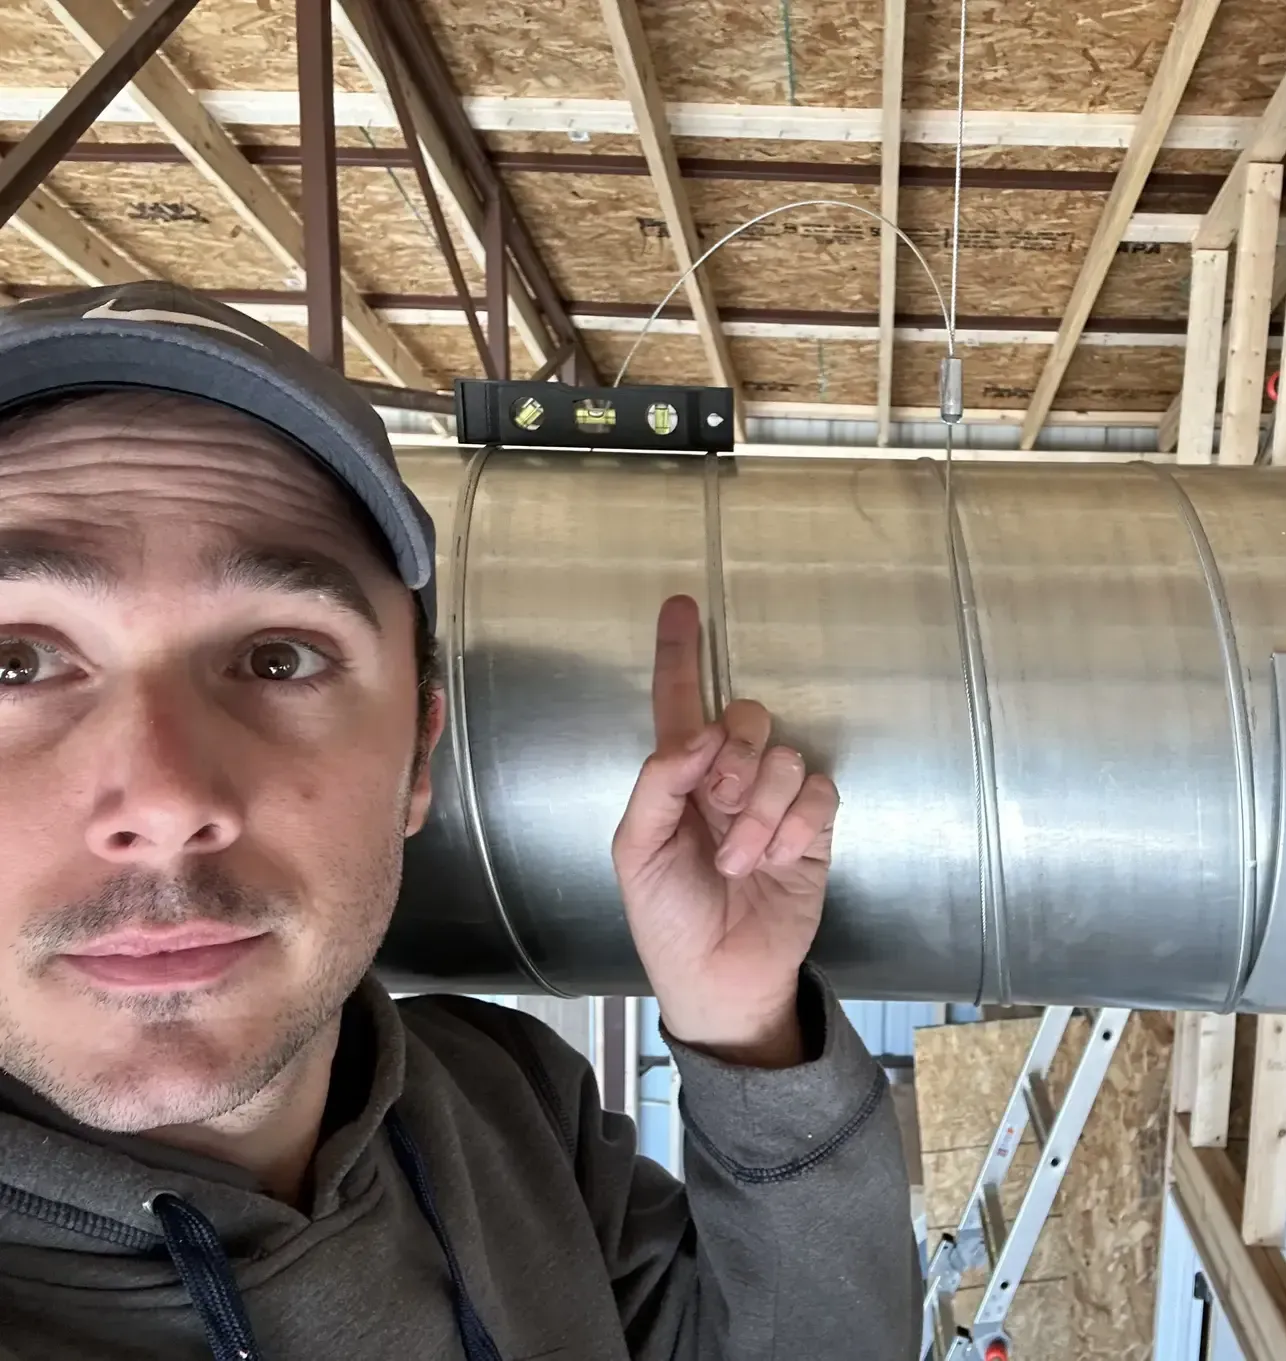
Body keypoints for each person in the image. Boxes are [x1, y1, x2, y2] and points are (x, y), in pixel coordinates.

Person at [0, 282, 916, 1359]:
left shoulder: (505, 1108)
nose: (163, 803)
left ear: (417, 753)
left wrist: (744, 1026)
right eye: (14, 662)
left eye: (278, 658)